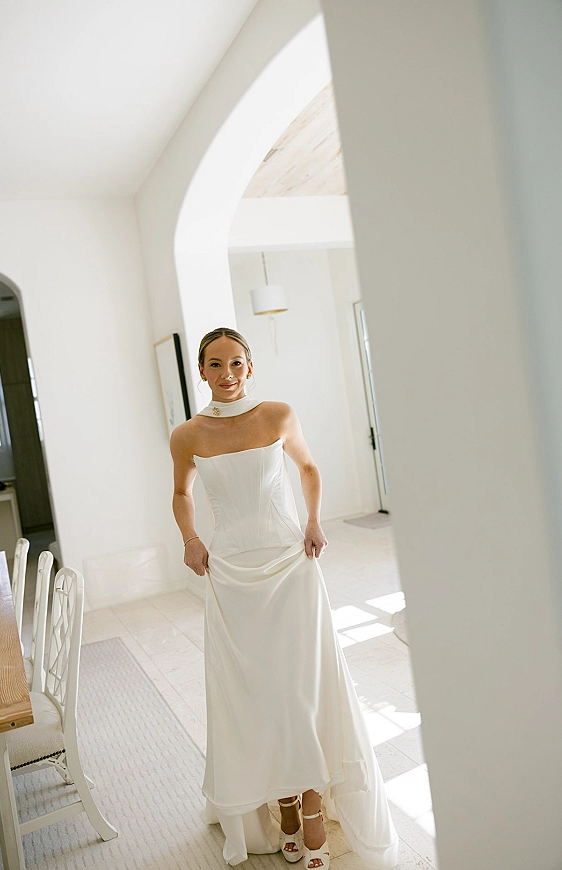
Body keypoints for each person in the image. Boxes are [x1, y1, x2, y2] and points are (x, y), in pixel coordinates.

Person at [170, 327, 398, 869]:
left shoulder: (278, 415)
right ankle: (283, 801)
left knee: (302, 685)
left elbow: (310, 469)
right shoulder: (186, 435)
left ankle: (312, 803)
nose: (227, 373)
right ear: (201, 371)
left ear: (250, 368)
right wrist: (191, 540)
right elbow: (181, 493)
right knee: (254, 692)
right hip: (230, 573)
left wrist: (315, 522)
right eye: (215, 364)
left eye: (237, 363)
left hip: (290, 564)